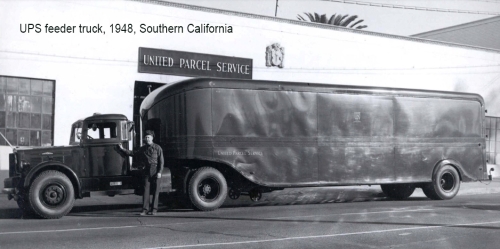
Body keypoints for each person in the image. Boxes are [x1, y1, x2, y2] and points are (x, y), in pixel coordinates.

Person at [118, 130, 164, 215]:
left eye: (149, 137)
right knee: (146, 191)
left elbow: (161, 161)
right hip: (146, 171)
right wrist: (122, 149)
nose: (147, 139)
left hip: (156, 170)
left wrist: (160, 172)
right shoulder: (143, 149)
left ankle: (154, 210)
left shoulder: (158, 148)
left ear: (152, 138)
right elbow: (133, 153)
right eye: (146, 137)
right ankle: (145, 210)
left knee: (155, 191)